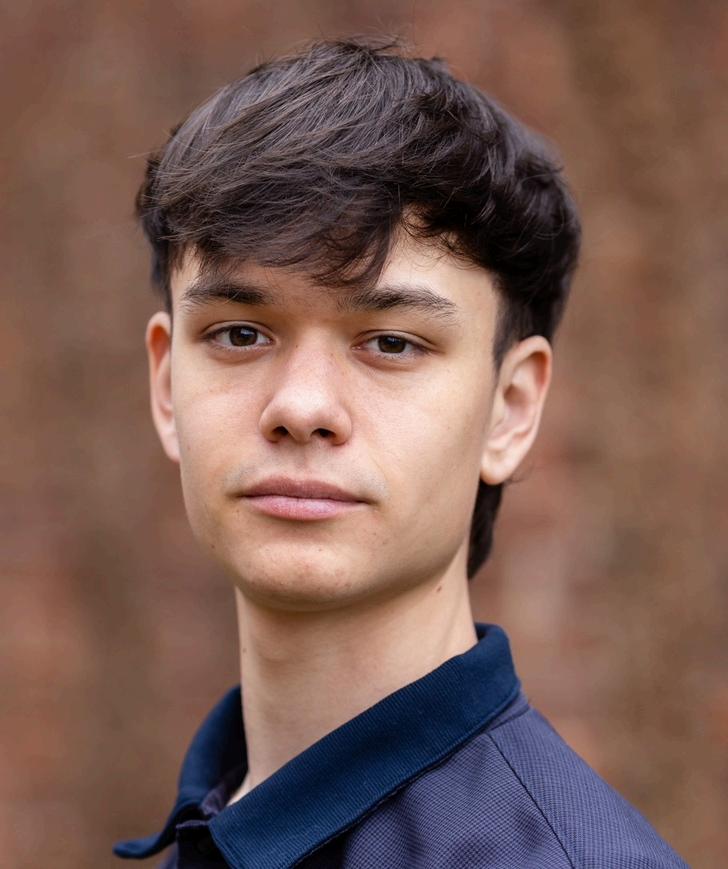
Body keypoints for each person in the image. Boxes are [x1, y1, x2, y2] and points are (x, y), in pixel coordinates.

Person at [113, 36, 688, 868]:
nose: (301, 407)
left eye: (390, 342)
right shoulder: (219, 820)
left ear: (510, 408)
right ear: (167, 384)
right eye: (240, 333)